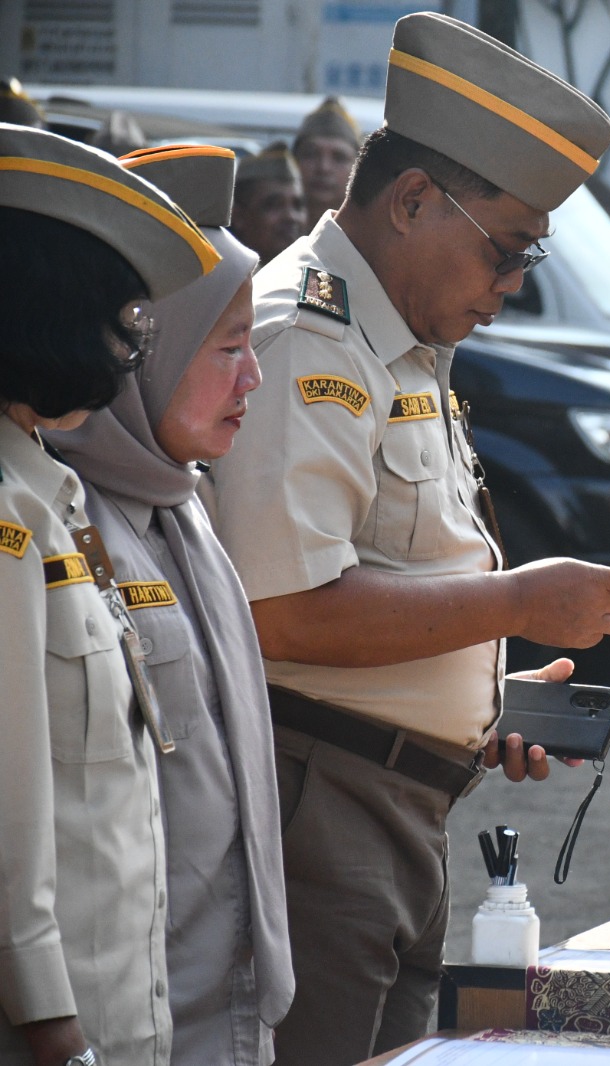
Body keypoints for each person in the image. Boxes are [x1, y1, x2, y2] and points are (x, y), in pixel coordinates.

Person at [201, 13, 610, 1065]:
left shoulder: (399, 339)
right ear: (413, 201)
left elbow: (386, 573)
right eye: (504, 251)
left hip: (393, 805)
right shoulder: (307, 338)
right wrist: (516, 603)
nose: (512, 285)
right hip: (323, 805)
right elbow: (279, 611)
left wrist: (483, 698)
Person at [47, 143, 292, 1066]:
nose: (253, 376)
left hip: (230, 1015)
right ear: (144, 354)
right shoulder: (56, 524)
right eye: (228, 347)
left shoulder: (181, 504)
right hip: (125, 1026)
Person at [0, 123, 219, 1066]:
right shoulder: (9, 514)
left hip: (119, 1016)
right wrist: (51, 1022)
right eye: (117, 319)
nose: (128, 350)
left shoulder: (46, 489)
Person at [228, 143, 305, 266]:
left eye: (297, 206)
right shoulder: (221, 275)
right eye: (274, 205)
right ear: (238, 216)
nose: (290, 217)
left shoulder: (312, 273)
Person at [291, 95, 359, 231]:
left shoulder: (370, 238)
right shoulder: (269, 234)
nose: (323, 168)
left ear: (357, 168)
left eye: (339, 158)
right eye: (311, 154)